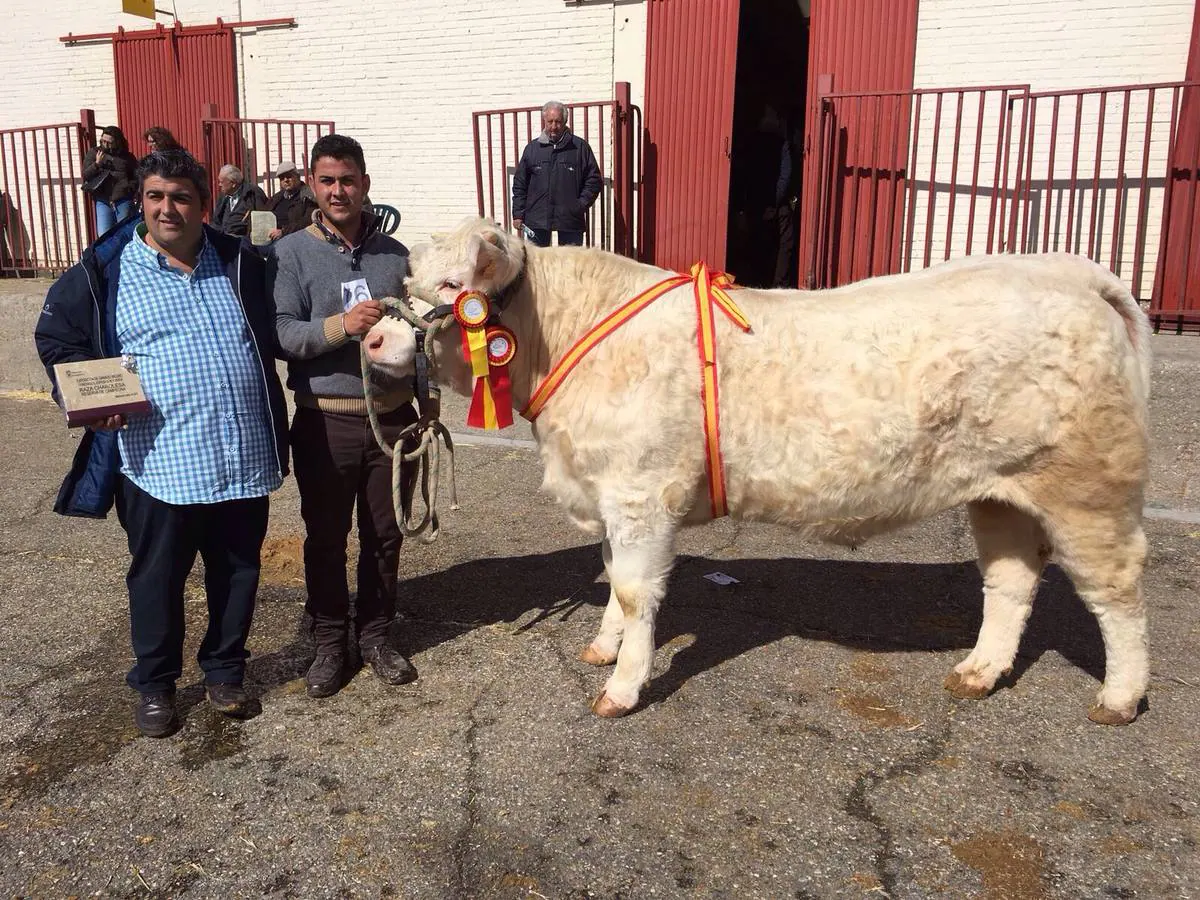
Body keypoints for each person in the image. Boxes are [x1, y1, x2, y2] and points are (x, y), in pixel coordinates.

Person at [33, 149, 290, 738]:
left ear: (204, 205)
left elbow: (288, 322)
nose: (167, 208)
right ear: (141, 202)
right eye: (155, 196)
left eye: (180, 197)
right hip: (157, 463)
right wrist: (84, 399)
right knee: (156, 578)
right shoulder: (107, 271)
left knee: (238, 571)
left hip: (239, 455)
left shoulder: (240, 261)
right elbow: (58, 338)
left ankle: (225, 671)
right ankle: (155, 684)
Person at [271, 133, 420, 699]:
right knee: (327, 537)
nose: (339, 191)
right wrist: (341, 327)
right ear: (312, 184)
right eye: (328, 180)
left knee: (385, 535)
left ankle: (378, 634)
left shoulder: (395, 256)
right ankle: (332, 642)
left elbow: (420, 336)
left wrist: (425, 405)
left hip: (392, 422)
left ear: (365, 185)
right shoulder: (290, 253)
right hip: (324, 420)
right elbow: (283, 332)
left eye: (349, 180)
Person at [511, 100, 602, 248]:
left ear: (565, 122)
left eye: (558, 122)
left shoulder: (579, 147)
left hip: (570, 220)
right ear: (544, 121)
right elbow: (520, 183)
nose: (554, 127)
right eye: (550, 121)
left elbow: (593, 180)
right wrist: (518, 214)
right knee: (537, 266)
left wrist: (579, 205)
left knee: (569, 266)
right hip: (537, 219)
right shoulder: (532, 149)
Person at [82, 126, 138, 236]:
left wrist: (128, 188)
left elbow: (136, 176)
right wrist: (97, 164)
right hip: (103, 199)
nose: (105, 145)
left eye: (109, 142)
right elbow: (86, 175)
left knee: (125, 233)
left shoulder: (127, 156)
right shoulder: (94, 153)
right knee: (104, 234)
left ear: (118, 142)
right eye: (103, 141)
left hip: (123, 199)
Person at [265, 161, 318, 242]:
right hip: (270, 238)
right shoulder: (277, 197)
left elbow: (308, 221)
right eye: (282, 178)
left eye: (289, 176)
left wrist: (283, 232)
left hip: (293, 240)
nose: (285, 180)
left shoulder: (308, 196)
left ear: (297, 177)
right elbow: (263, 213)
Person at [213, 164, 270, 238]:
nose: (219, 184)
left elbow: (262, 219)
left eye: (221, 182)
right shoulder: (224, 196)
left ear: (233, 183)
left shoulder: (253, 193)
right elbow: (216, 221)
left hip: (244, 241)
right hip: (224, 239)